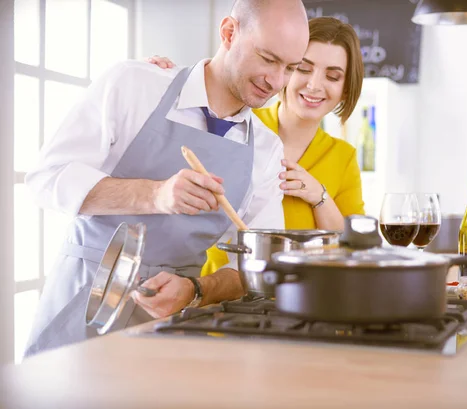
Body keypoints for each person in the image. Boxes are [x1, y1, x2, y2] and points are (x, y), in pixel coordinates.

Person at [23, 0, 309, 356]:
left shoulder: (266, 151)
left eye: (291, 68)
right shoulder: (134, 84)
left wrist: (197, 289)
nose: (277, 81)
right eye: (268, 59)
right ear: (229, 33)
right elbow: (47, 179)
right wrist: (155, 195)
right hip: (84, 304)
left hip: (170, 326)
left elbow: (255, 265)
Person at [149, 17, 366, 276]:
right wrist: (163, 80)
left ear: (345, 89)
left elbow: (354, 249)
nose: (314, 85)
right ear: (284, 69)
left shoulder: (343, 157)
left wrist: (320, 197)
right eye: (303, 69)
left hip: (302, 297)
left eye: (332, 76)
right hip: (216, 290)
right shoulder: (237, 123)